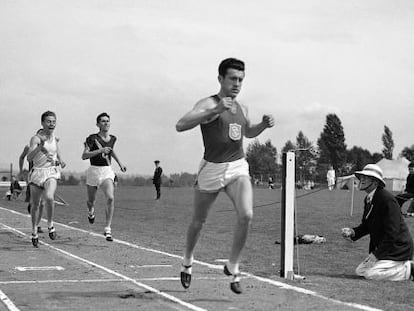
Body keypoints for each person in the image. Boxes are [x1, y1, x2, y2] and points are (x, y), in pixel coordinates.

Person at [176, 58, 275, 294]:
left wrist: (262, 125)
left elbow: (247, 132)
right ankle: (188, 261)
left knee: (247, 214)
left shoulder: (243, 108)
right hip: (211, 168)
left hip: (237, 166)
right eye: (232, 78)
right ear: (220, 79)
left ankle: (232, 266)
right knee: (198, 221)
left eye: (241, 79)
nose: (237, 84)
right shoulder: (208, 102)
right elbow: (180, 125)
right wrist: (214, 110)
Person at [341, 164, 414, 281]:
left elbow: (393, 233)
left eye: (366, 177)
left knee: (371, 274)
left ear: (375, 182)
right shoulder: (369, 198)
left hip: (397, 249)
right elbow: (366, 225)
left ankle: (410, 269)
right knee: (360, 271)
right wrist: (353, 232)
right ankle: (401, 268)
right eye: (362, 176)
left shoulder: (386, 199)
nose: (362, 179)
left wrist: (377, 254)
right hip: (384, 248)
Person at [81, 112, 126, 242]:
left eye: (107, 121)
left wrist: (120, 163)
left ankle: (107, 228)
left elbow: (111, 150)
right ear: (97, 124)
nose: (106, 123)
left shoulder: (112, 138)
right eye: (103, 121)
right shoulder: (92, 138)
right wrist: (100, 151)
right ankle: (91, 211)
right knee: (91, 201)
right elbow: (84, 155)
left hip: (107, 171)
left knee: (110, 197)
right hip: (94, 171)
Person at [27, 111, 65, 247]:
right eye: (49, 121)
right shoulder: (35, 139)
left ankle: (50, 225)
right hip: (37, 173)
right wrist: (40, 147)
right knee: (35, 205)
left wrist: (62, 160)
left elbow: (57, 148)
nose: (52, 124)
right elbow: (29, 158)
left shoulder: (54, 137)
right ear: (42, 123)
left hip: (51, 172)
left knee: (49, 197)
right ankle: (34, 231)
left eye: (54, 121)